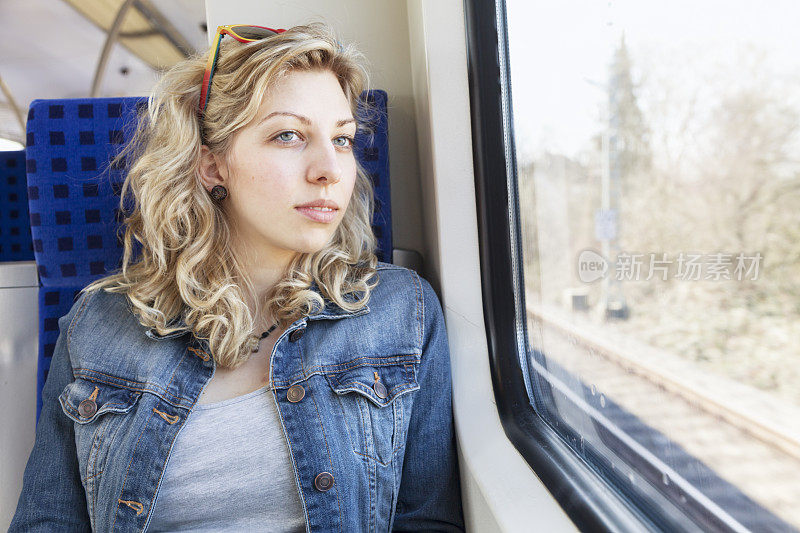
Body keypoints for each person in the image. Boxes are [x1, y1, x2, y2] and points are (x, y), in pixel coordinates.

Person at [10, 22, 464, 532]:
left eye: (342, 139)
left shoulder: (401, 312)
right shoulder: (96, 326)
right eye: (288, 135)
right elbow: (46, 522)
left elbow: (427, 522)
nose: (330, 169)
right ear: (212, 165)